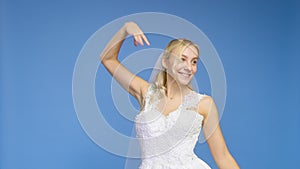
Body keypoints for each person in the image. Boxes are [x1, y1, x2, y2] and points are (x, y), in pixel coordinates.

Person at [100, 21, 240, 169]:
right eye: (183, 59)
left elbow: (223, 156)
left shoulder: (203, 104)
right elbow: (107, 59)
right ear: (165, 62)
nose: (189, 67)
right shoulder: (146, 94)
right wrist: (126, 28)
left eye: (194, 62)